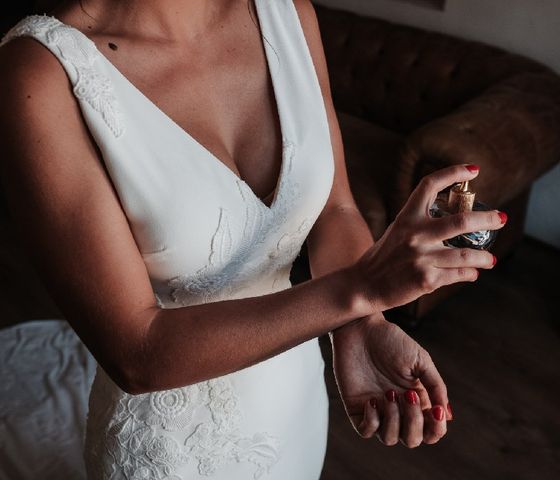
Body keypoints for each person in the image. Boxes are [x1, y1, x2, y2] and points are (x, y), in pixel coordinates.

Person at [0, 0, 507, 478]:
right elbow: (137, 353)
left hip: (292, 395)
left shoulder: (287, 15)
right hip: (171, 449)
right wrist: (361, 290)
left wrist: (361, 326)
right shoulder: (42, 75)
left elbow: (337, 209)